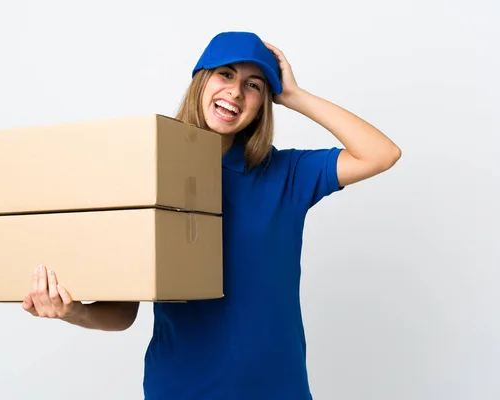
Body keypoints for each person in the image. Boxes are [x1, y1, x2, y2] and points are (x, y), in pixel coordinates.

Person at [22, 31, 401, 399]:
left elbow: (381, 153)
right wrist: (72, 312)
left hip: (277, 390)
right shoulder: (147, 174)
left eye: (254, 85)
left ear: (264, 103)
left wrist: (296, 97)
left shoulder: (287, 174)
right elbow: (122, 313)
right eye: (226, 74)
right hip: (182, 390)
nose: (236, 92)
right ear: (201, 82)